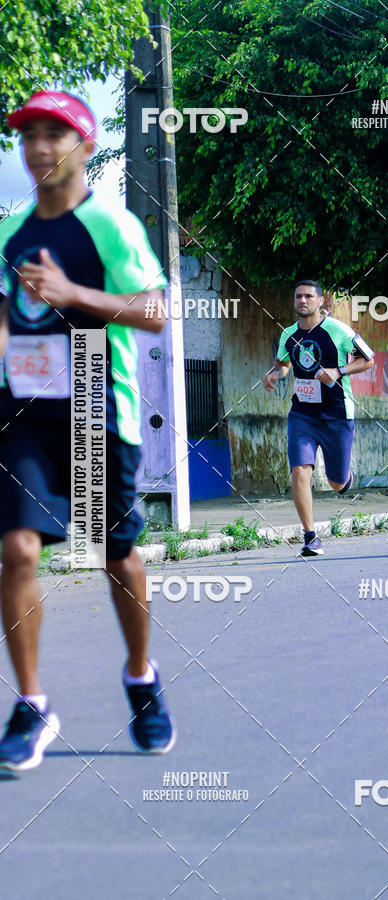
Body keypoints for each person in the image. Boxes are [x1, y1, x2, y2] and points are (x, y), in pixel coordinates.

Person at [0, 91, 175, 771]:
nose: (40, 147)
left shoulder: (109, 225)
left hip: (97, 410)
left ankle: (140, 677)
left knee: (114, 555)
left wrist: (75, 296)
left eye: (55, 134)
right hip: (22, 416)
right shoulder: (11, 230)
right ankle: (32, 705)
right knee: (16, 550)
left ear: (84, 143)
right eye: (29, 135)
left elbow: (154, 311)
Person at [263, 280, 374, 556]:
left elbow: (369, 359)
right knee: (300, 470)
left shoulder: (337, 330)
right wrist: (274, 375)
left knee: (336, 483)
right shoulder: (288, 334)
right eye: (298, 296)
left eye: (308, 296)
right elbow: (285, 363)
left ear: (321, 301)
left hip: (337, 413)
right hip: (303, 413)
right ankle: (310, 536)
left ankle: (344, 476)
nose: (302, 300)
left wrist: (339, 371)